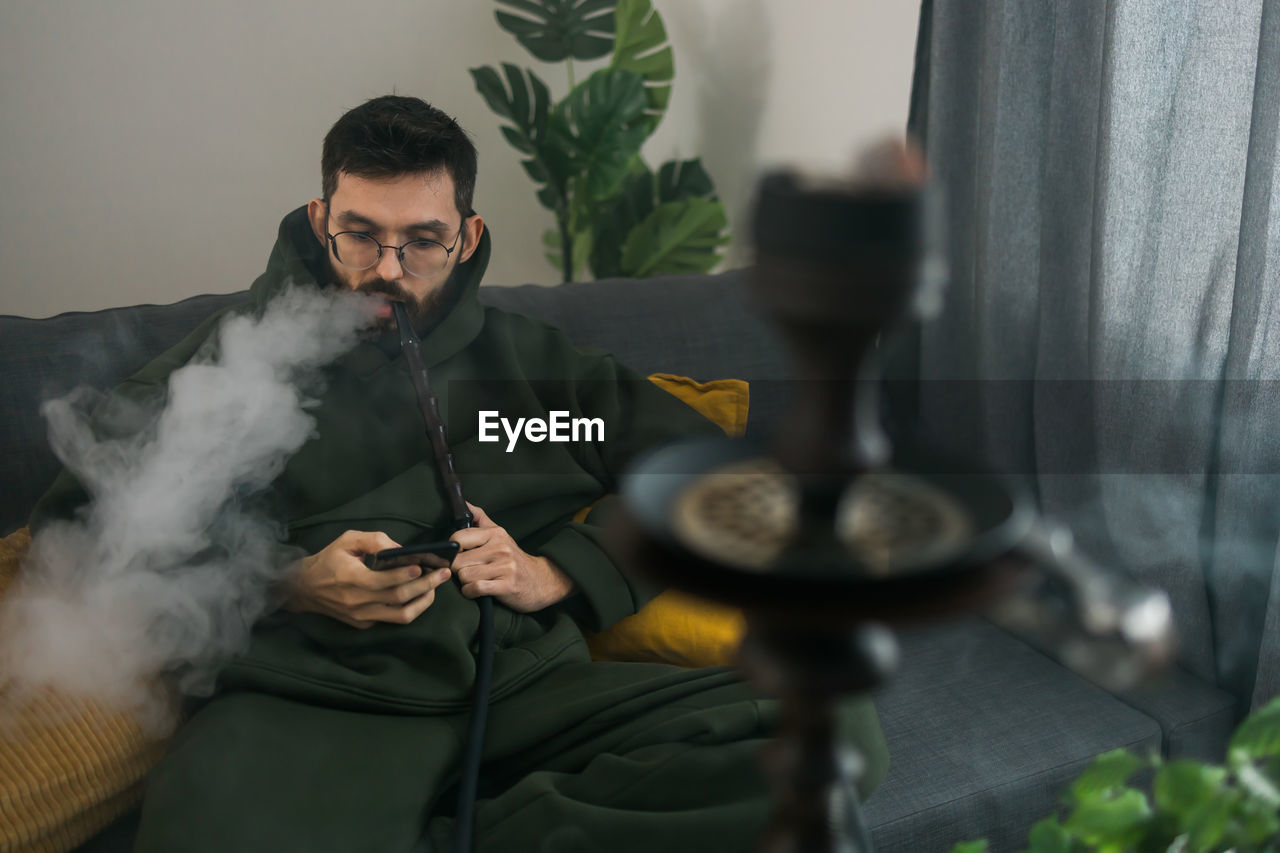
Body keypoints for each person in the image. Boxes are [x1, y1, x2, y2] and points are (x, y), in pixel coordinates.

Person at [30, 95, 888, 852]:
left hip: (524, 685)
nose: (388, 272)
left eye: (423, 241)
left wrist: (564, 574)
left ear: (467, 235)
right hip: (307, 709)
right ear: (320, 214)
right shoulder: (227, 360)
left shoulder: (535, 371)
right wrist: (283, 582)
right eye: (360, 234)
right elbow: (75, 532)